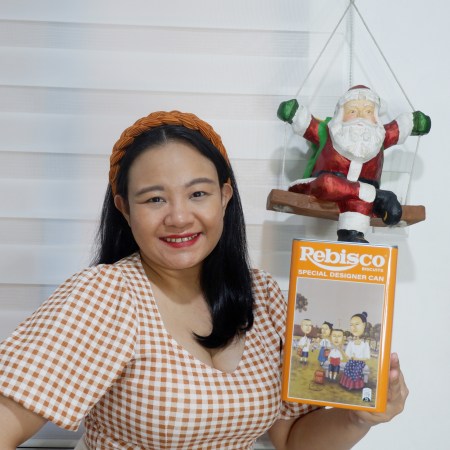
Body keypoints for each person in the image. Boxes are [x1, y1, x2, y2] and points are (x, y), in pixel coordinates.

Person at [0, 111, 408, 449]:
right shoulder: (105, 296)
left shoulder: (263, 296)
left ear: (225, 197)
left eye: (198, 194)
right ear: (125, 209)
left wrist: (359, 417)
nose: (179, 217)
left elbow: (293, 440)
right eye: (154, 199)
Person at [277, 85, 431, 242]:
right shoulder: (328, 131)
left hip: (357, 200)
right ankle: (376, 196)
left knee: (358, 203)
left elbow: (400, 127)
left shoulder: (379, 136)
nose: (360, 116)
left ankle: (351, 235)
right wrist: (294, 113)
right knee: (328, 183)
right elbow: (306, 123)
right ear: (341, 114)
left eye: (368, 112)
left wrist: (414, 122)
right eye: (352, 111)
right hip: (323, 186)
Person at [340, 312, 371, 390]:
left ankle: (354, 385)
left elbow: (367, 358)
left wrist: (357, 358)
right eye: (351, 325)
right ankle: (347, 384)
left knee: (356, 369)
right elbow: (347, 356)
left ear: (364, 325)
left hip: (360, 362)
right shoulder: (351, 343)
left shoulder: (365, 344)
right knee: (348, 367)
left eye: (357, 324)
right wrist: (341, 350)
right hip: (352, 361)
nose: (354, 327)